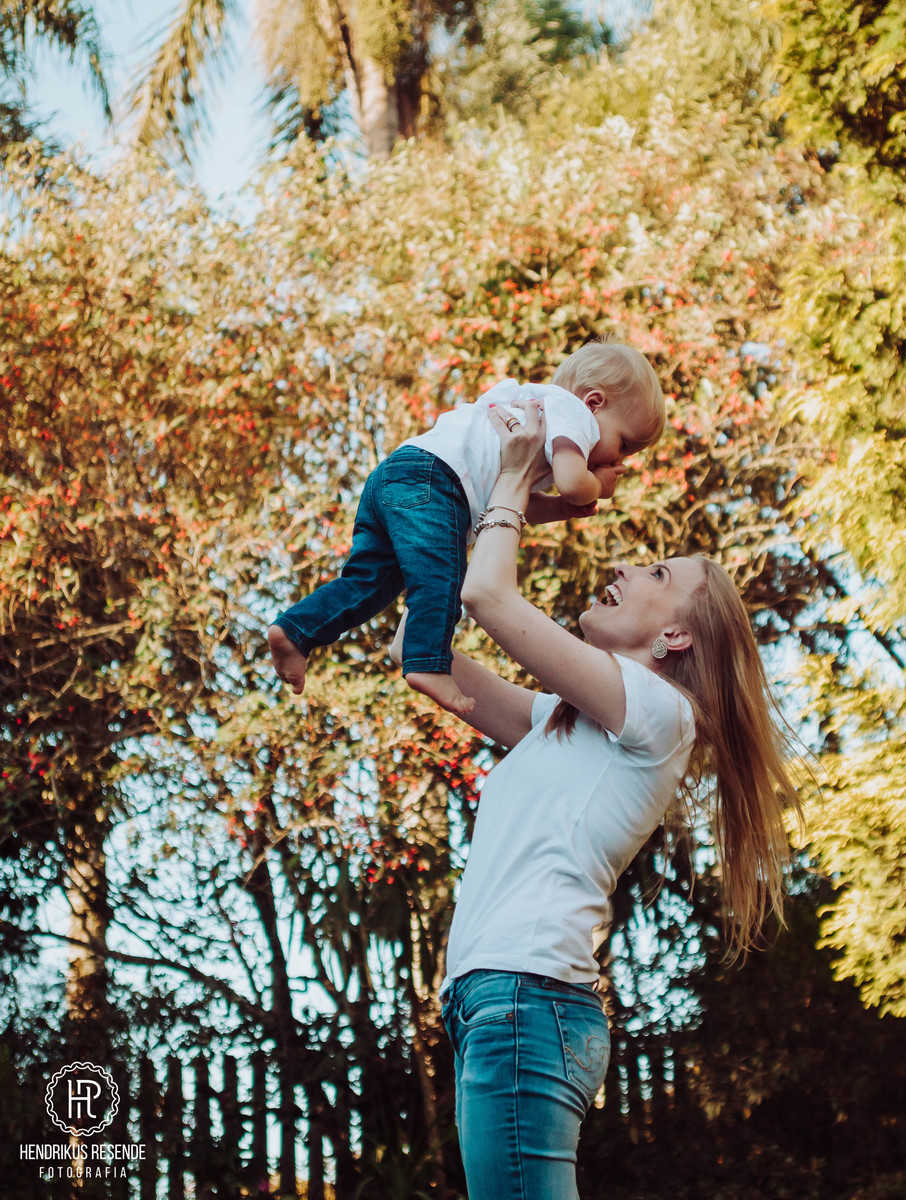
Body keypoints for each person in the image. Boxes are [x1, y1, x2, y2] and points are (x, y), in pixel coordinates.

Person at [409, 396, 802, 1200]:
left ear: (677, 639)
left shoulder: (658, 713)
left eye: (658, 575)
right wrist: (432, 511)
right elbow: (428, 664)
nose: (625, 568)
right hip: (503, 1003)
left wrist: (513, 483)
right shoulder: (568, 719)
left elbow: (490, 599)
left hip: (527, 1000)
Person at [268, 340, 665, 716]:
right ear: (595, 402)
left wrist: (562, 509)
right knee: (442, 577)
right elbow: (576, 483)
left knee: (369, 584)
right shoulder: (574, 414)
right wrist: (599, 486)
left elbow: (513, 502)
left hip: (400, 478)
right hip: (435, 482)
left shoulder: (540, 413)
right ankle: (427, 662)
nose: (622, 459)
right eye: (625, 444)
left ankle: (296, 631)